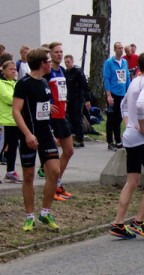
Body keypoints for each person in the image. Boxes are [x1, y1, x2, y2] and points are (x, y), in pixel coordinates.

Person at [109, 51, 144, 239]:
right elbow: (141, 105)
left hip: (129, 136)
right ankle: (139, 221)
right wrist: (143, 127)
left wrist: (129, 123)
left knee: (132, 181)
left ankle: (118, 222)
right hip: (139, 137)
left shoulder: (134, 81)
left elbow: (123, 105)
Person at [13, 47, 62, 232]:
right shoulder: (23, 83)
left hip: (45, 134)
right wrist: (27, 134)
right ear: (42, 63)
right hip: (29, 135)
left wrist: (49, 112)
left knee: (55, 172)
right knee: (29, 176)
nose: (51, 63)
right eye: (49, 61)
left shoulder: (44, 82)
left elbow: (40, 108)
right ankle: (29, 216)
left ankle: (45, 212)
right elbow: (16, 111)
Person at [44, 42, 74, 201]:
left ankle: (58, 183)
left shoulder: (61, 70)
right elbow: (41, 91)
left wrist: (65, 102)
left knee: (69, 151)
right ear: (50, 54)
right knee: (52, 156)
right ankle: (52, 186)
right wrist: (48, 104)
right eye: (56, 52)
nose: (59, 54)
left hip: (63, 115)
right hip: (52, 118)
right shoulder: (47, 72)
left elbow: (63, 90)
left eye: (61, 51)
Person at [103, 42, 130, 151]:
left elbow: (127, 77)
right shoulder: (109, 62)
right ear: (115, 49)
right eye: (119, 48)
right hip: (113, 93)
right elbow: (106, 78)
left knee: (119, 118)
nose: (121, 50)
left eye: (122, 48)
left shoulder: (124, 62)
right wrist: (108, 95)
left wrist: (128, 92)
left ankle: (118, 140)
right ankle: (110, 141)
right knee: (111, 118)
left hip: (122, 93)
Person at [0, 61, 22, 183]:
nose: (14, 71)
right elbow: (9, 99)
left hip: (14, 121)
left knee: (13, 148)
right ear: (4, 70)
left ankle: (10, 171)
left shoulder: (15, 83)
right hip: (3, 121)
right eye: (11, 69)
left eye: (15, 69)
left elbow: (22, 98)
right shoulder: (1, 83)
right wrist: (19, 99)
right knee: (1, 148)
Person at [64, 54, 91, 148]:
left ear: (72, 61)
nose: (67, 64)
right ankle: (74, 136)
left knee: (78, 118)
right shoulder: (65, 72)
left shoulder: (78, 72)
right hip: (68, 99)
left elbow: (84, 86)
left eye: (68, 62)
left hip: (77, 98)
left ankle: (80, 138)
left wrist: (87, 99)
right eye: (65, 62)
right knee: (70, 118)